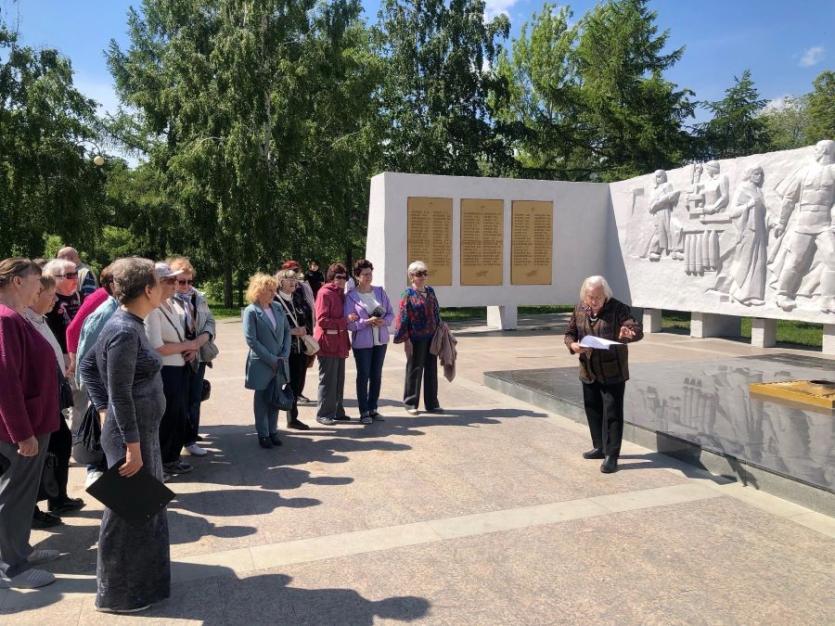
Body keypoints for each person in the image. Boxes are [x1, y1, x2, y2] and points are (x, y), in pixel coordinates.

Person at [79, 257, 170, 613]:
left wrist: (110, 416)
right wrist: (128, 441)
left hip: (140, 434)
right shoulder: (123, 329)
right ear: (147, 289)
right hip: (132, 438)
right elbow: (118, 391)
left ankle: (143, 588)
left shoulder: (131, 323)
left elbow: (89, 365)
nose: (163, 288)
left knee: (143, 512)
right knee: (127, 517)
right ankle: (117, 594)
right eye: (158, 283)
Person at [0, 258, 61, 590]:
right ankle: (10, 565)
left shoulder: (15, 317)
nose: (41, 287)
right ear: (16, 281)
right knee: (13, 495)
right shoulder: (6, 319)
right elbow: (6, 381)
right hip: (21, 428)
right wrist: (22, 433)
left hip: (35, 421)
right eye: (36, 280)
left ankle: (19, 548)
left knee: (23, 495)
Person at [564, 276, 643, 474]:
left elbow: (635, 328)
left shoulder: (618, 308)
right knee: (593, 409)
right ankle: (599, 447)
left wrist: (629, 332)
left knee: (612, 414)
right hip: (588, 368)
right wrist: (573, 345)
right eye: (591, 296)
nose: (595, 301)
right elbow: (569, 333)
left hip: (612, 370)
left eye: (599, 296)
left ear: (605, 294)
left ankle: (611, 456)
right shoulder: (579, 309)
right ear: (585, 295)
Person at [24, 274, 84, 526]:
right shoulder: (23, 321)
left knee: (59, 445)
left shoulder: (40, 318)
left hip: (51, 398)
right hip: (38, 402)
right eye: (50, 295)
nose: (55, 300)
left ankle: (57, 497)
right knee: (44, 453)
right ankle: (35, 508)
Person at [144, 262, 196, 479]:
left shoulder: (170, 305)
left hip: (179, 367)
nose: (176, 284)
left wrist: (188, 348)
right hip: (166, 371)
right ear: (158, 283)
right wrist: (187, 346)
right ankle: (163, 462)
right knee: (166, 419)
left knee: (177, 416)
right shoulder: (153, 311)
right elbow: (157, 348)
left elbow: (176, 336)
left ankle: (172, 458)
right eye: (171, 280)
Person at [773, 139, 835, 313]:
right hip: (803, 224)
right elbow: (789, 199)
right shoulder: (804, 171)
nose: (814, 151)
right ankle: (782, 294)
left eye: (817, 149)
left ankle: (828, 300)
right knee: (795, 261)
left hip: (825, 225)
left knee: (833, 260)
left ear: (824, 151)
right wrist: (782, 222)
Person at [168, 257, 217, 457]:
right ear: (171, 280)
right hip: (175, 358)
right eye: (181, 281)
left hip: (198, 356)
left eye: (189, 281)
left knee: (194, 399)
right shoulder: (165, 299)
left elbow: (210, 322)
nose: (186, 286)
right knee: (176, 401)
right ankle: (173, 443)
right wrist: (186, 346)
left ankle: (190, 439)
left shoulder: (198, 297)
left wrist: (198, 344)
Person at [242, 273, 291, 448]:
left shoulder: (277, 307)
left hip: (279, 361)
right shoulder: (251, 311)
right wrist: (271, 359)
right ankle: (263, 434)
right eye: (269, 290)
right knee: (262, 399)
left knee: (275, 397)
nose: (273, 293)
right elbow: (251, 340)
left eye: (274, 290)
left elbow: (287, 331)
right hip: (262, 363)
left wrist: (285, 353)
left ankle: (273, 431)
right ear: (258, 291)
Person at [346, 259, 394, 424]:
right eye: (365, 274)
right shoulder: (351, 296)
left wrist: (383, 321)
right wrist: (366, 322)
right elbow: (350, 324)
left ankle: (373, 408)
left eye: (370, 273)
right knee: (364, 375)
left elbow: (390, 314)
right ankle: (364, 411)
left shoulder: (380, 292)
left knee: (376, 375)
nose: (368, 277)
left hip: (380, 340)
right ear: (357, 276)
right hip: (362, 343)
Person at [393, 261, 443, 415]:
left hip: (431, 336)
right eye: (419, 274)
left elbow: (436, 311)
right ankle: (410, 403)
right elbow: (403, 318)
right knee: (415, 369)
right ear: (411, 277)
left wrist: (440, 329)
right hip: (416, 338)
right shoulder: (408, 294)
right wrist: (406, 340)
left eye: (425, 273)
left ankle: (432, 404)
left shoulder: (430, 291)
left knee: (431, 370)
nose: (423, 277)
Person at [274, 268, 313, 430]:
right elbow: (272, 327)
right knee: (280, 385)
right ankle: (272, 421)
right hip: (283, 351)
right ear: (280, 281)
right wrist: (291, 331)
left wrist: (306, 330)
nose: (293, 282)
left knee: (296, 385)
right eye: (289, 279)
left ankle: (292, 418)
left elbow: (307, 317)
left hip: (299, 349)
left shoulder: (298, 298)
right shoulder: (274, 301)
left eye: (295, 279)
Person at [728, 166, 772, 306]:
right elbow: (733, 212)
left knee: (759, 262)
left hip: (759, 231)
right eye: (756, 173)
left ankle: (754, 295)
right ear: (749, 174)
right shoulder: (742, 188)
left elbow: (764, 213)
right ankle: (739, 294)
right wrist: (748, 205)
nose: (759, 176)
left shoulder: (759, 191)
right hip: (748, 231)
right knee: (746, 262)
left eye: (761, 174)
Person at [314, 264, 351, 425]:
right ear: (331, 278)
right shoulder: (324, 293)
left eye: (344, 277)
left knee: (338, 380)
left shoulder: (341, 293)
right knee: (328, 380)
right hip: (327, 342)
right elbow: (322, 320)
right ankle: (323, 413)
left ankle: (337, 411)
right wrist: (344, 321)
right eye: (339, 277)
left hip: (339, 342)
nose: (342, 280)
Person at [43, 258, 82, 372]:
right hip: (62, 355)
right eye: (70, 275)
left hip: (80, 353)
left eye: (76, 273)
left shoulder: (80, 296)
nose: (75, 278)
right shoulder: (48, 300)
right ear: (54, 277)